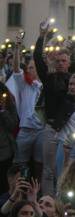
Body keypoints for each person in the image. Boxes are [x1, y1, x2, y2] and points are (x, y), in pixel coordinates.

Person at [34, 19, 72, 195]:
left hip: (70, 129)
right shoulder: (49, 79)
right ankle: (47, 203)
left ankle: (63, 202)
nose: (60, 63)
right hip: (51, 128)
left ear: (69, 63)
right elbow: (37, 59)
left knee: (66, 170)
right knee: (48, 170)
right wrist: (42, 36)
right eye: (57, 61)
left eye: (64, 60)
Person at [6, 33, 44, 184]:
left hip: (42, 131)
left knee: (39, 165)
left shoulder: (45, 86)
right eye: (28, 67)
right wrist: (17, 48)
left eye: (33, 67)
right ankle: (17, 191)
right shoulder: (24, 85)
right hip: (26, 130)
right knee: (19, 164)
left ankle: (38, 192)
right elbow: (16, 68)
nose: (30, 70)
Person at [0, 82, 18, 195]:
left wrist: (2, 111)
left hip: (5, 152)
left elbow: (12, 125)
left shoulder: (9, 105)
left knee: (3, 184)